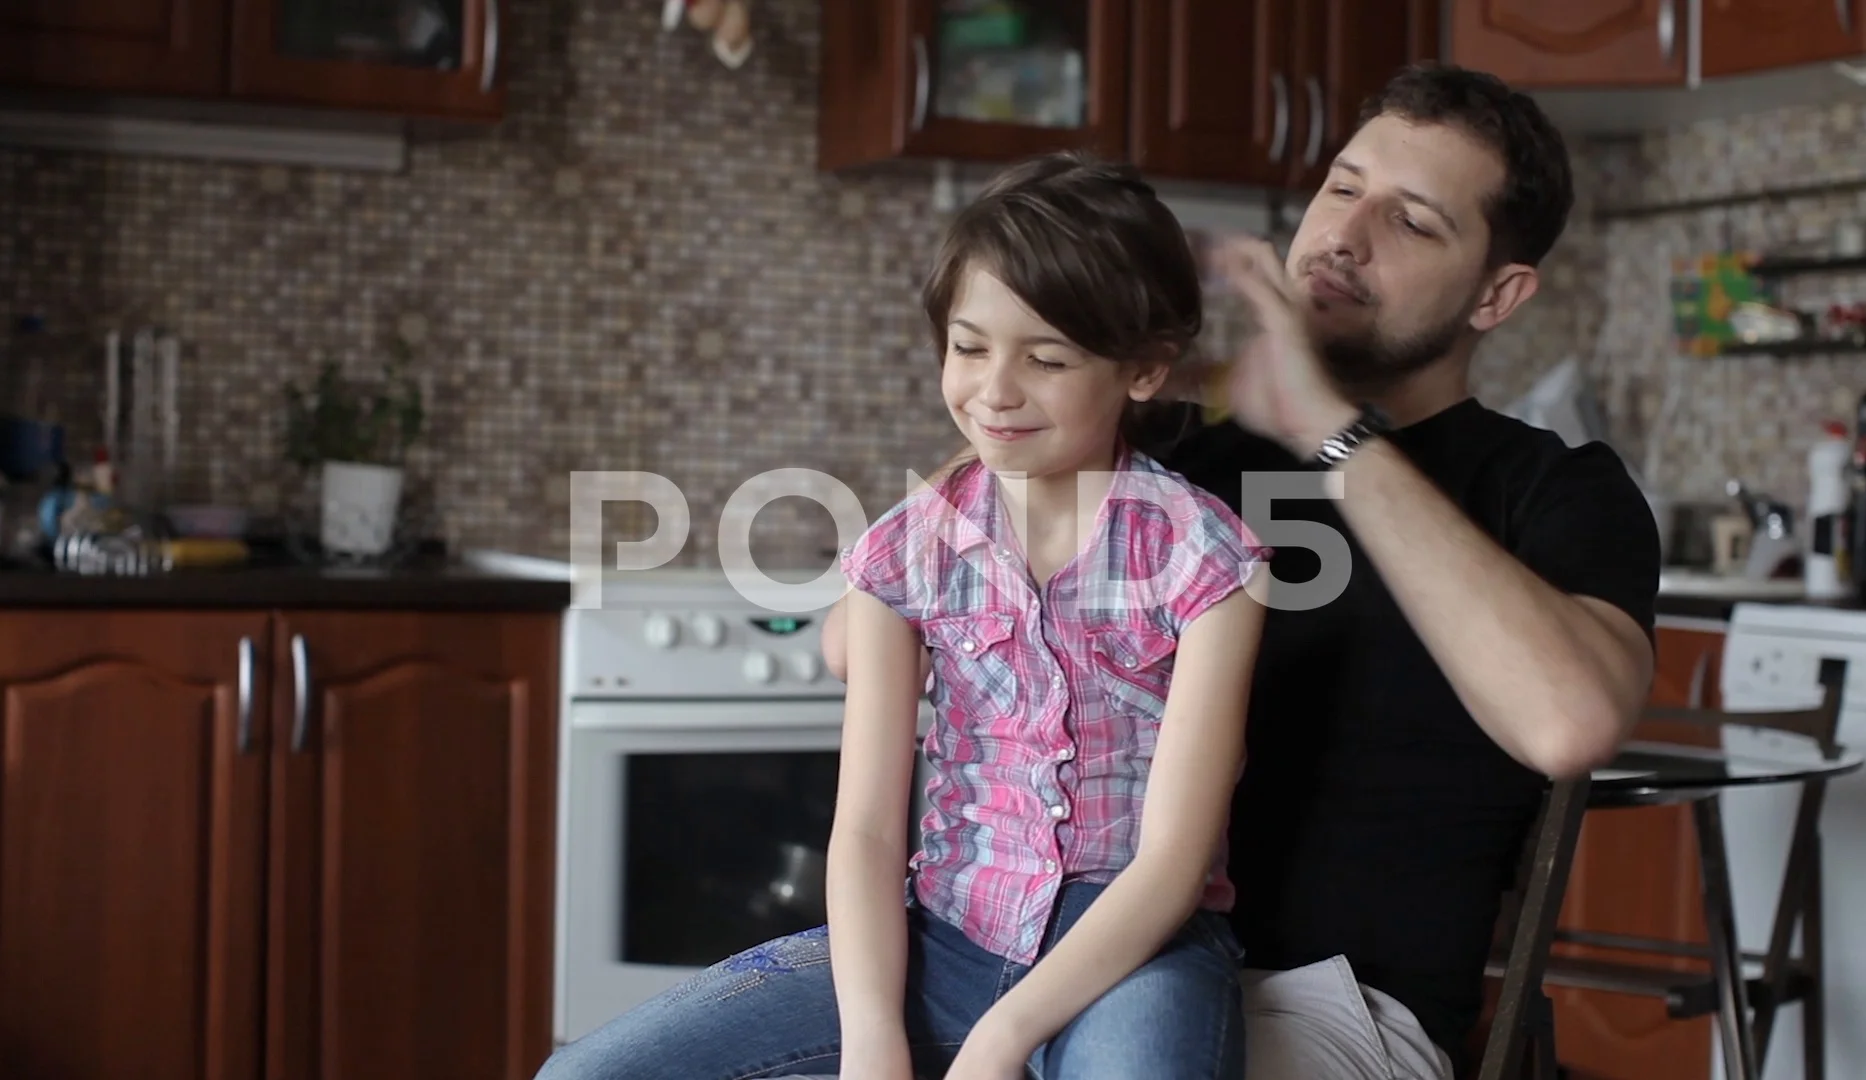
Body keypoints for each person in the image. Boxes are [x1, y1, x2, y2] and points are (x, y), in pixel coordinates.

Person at [820, 62, 1663, 1080]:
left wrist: (1329, 434)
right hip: (1055, 955)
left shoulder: (1548, 486)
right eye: (1344, 187)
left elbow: (1568, 722)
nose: (1346, 235)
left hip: (1323, 999)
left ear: (1499, 294)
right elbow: (857, 639)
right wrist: (1100, 382)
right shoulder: (1167, 448)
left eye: (1414, 222)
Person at [537, 153, 1274, 1080]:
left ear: (1143, 371)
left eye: (1046, 359)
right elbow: (869, 833)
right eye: (969, 347)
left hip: (1133, 952)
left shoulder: (1208, 558)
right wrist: (873, 1037)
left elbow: (1171, 867)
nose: (995, 389)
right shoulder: (907, 550)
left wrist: (1003, 1038)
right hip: (948, 939)